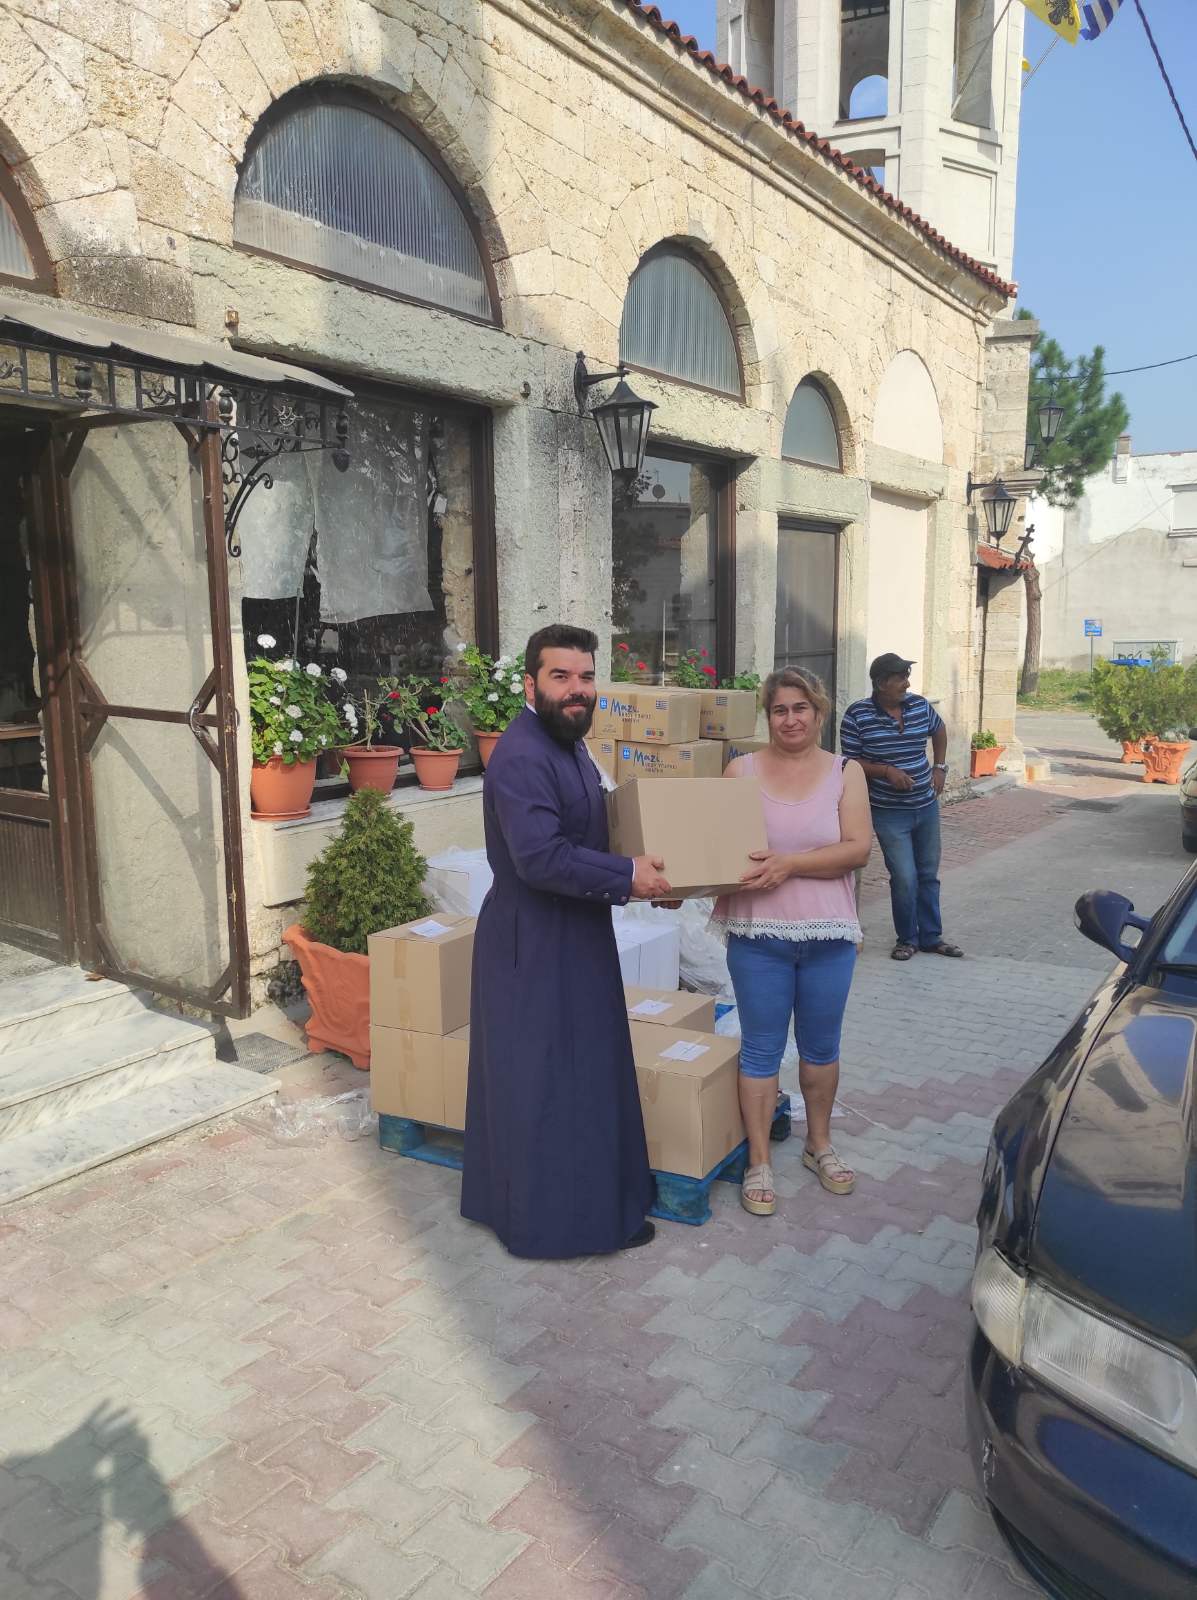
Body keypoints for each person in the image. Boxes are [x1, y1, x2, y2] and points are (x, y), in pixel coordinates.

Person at [461, 623, 673, 1258]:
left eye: (586, 677)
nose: (577, 689)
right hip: (532, 945)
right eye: (561, 676)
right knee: (546, 1083)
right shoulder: (522, 755)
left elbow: (594, 833)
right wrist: (628, 876)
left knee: (588, 1072)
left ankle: (599, 1206)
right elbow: (541, 858)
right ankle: (549, 1225)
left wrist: (651, 874)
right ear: (531, 685)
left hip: (576, 931)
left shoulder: (570, 744)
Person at [711, 668, 872, 1213]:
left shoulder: (846, 772)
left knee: (822, 1048)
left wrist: (789, 865)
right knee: (761, 1049)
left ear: (819, 712)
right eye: (779, 710)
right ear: (768, 716)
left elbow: (857, 850)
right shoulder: (740, 772)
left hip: (828, 936)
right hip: (758, 936)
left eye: (801, 708)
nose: (790, 719)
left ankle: (818, 1144)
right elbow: (715, 848)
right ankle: (759, 1160)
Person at [839, 653, 962, 962]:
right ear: (881, 683)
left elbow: (939, 729)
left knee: (928, 874)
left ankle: (931, 937)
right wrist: (885, 771)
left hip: (926, 805)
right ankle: (907, 939)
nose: (907, 684)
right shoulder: (857, 715)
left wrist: (940, 767)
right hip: (888, 812)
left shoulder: (919, 706)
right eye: (901, 678)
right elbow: (850, 763)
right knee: (905, 877)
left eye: (907, 677)